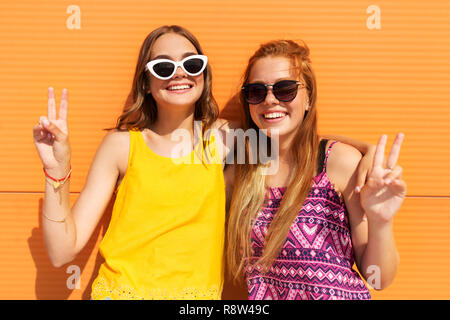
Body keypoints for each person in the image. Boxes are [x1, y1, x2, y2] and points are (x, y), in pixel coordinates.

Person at [33, 25, 376, 300]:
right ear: (146, 82)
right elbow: (62, 251)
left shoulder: (228, 140)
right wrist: (57, 170)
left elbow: (292, 135)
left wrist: (367, 151)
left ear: (203, 73)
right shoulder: (122, 146)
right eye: (164, 66)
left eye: (191, 63)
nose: (179, 74)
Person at [226, 39, 406, 300]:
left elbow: (379, 278)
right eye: (256, 91)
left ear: (308, 97)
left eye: (285, 89)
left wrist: (381, 222)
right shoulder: (241, 173)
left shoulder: (339, 163)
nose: (269, 100)